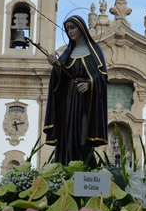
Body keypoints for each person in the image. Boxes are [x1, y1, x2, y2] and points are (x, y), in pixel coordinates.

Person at [43, 15, 108, 165]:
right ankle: (67, 166)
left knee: (82, 136)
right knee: (66, 135)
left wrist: (90, 83)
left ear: (82, 28)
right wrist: (57, 68)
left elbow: (103, 78)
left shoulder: (95, 50)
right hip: (69, 102)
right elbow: (61, 81)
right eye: (67, 29)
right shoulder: (67, 53)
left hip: (86, 103)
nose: (70, 32)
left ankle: (85, 167)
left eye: (73, 28)